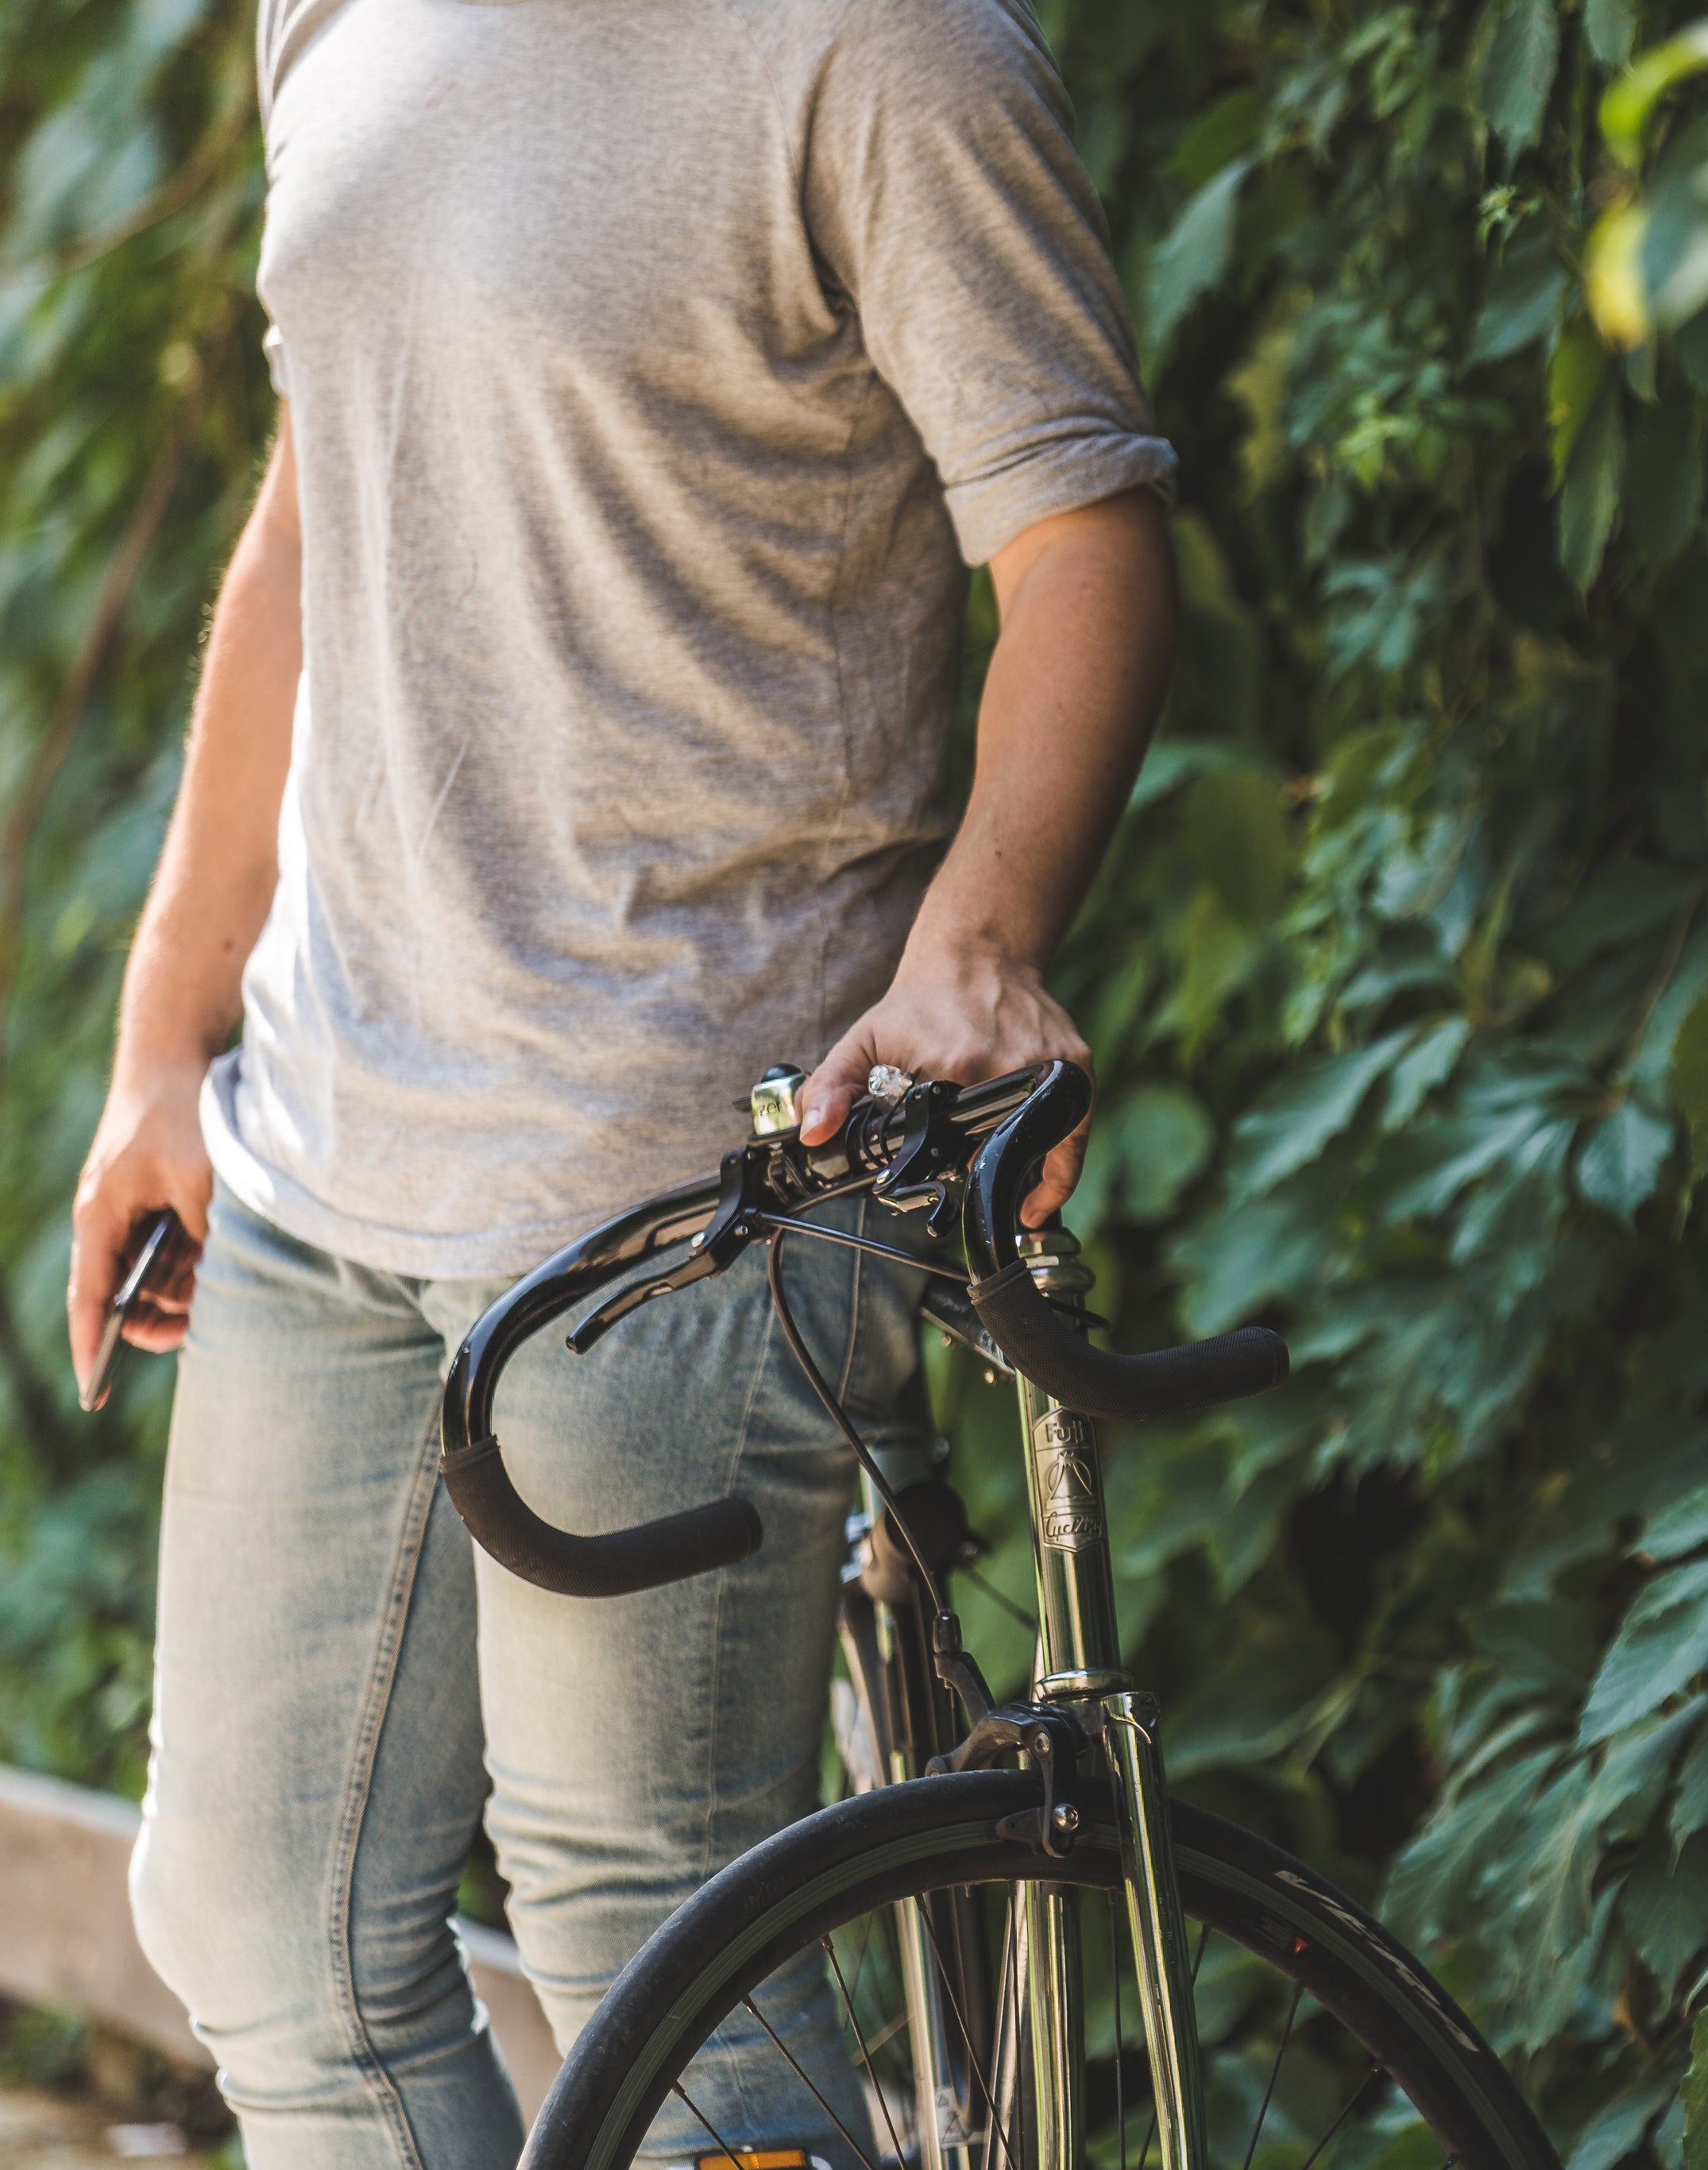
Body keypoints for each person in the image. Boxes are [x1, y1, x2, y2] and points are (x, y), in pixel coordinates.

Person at [61, 0, 1176, 2161]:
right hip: (320, 1136)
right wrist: (161, 1033)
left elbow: (1083, 546)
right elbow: (322, 502)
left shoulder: (887, 46)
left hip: (685, 1182)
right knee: (268, 1942)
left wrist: (978, 943)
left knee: (653, 1952)